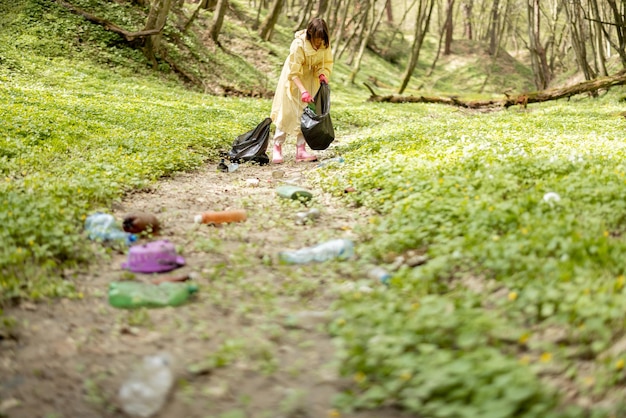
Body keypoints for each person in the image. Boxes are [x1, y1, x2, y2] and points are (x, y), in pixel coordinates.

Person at [270, 18, 333, 164]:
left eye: (321, 39)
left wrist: (323, 73)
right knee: (287, 111)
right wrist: (303, 91)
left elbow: (325, 62)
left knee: (307, 114)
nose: (318, 43)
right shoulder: (298, 45)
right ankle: (277, 146)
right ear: (310, 35)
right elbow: (294, 72)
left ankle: (301, 149)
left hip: (311, 79)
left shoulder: (325, 44)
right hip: (294, 79)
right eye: (316, 39)